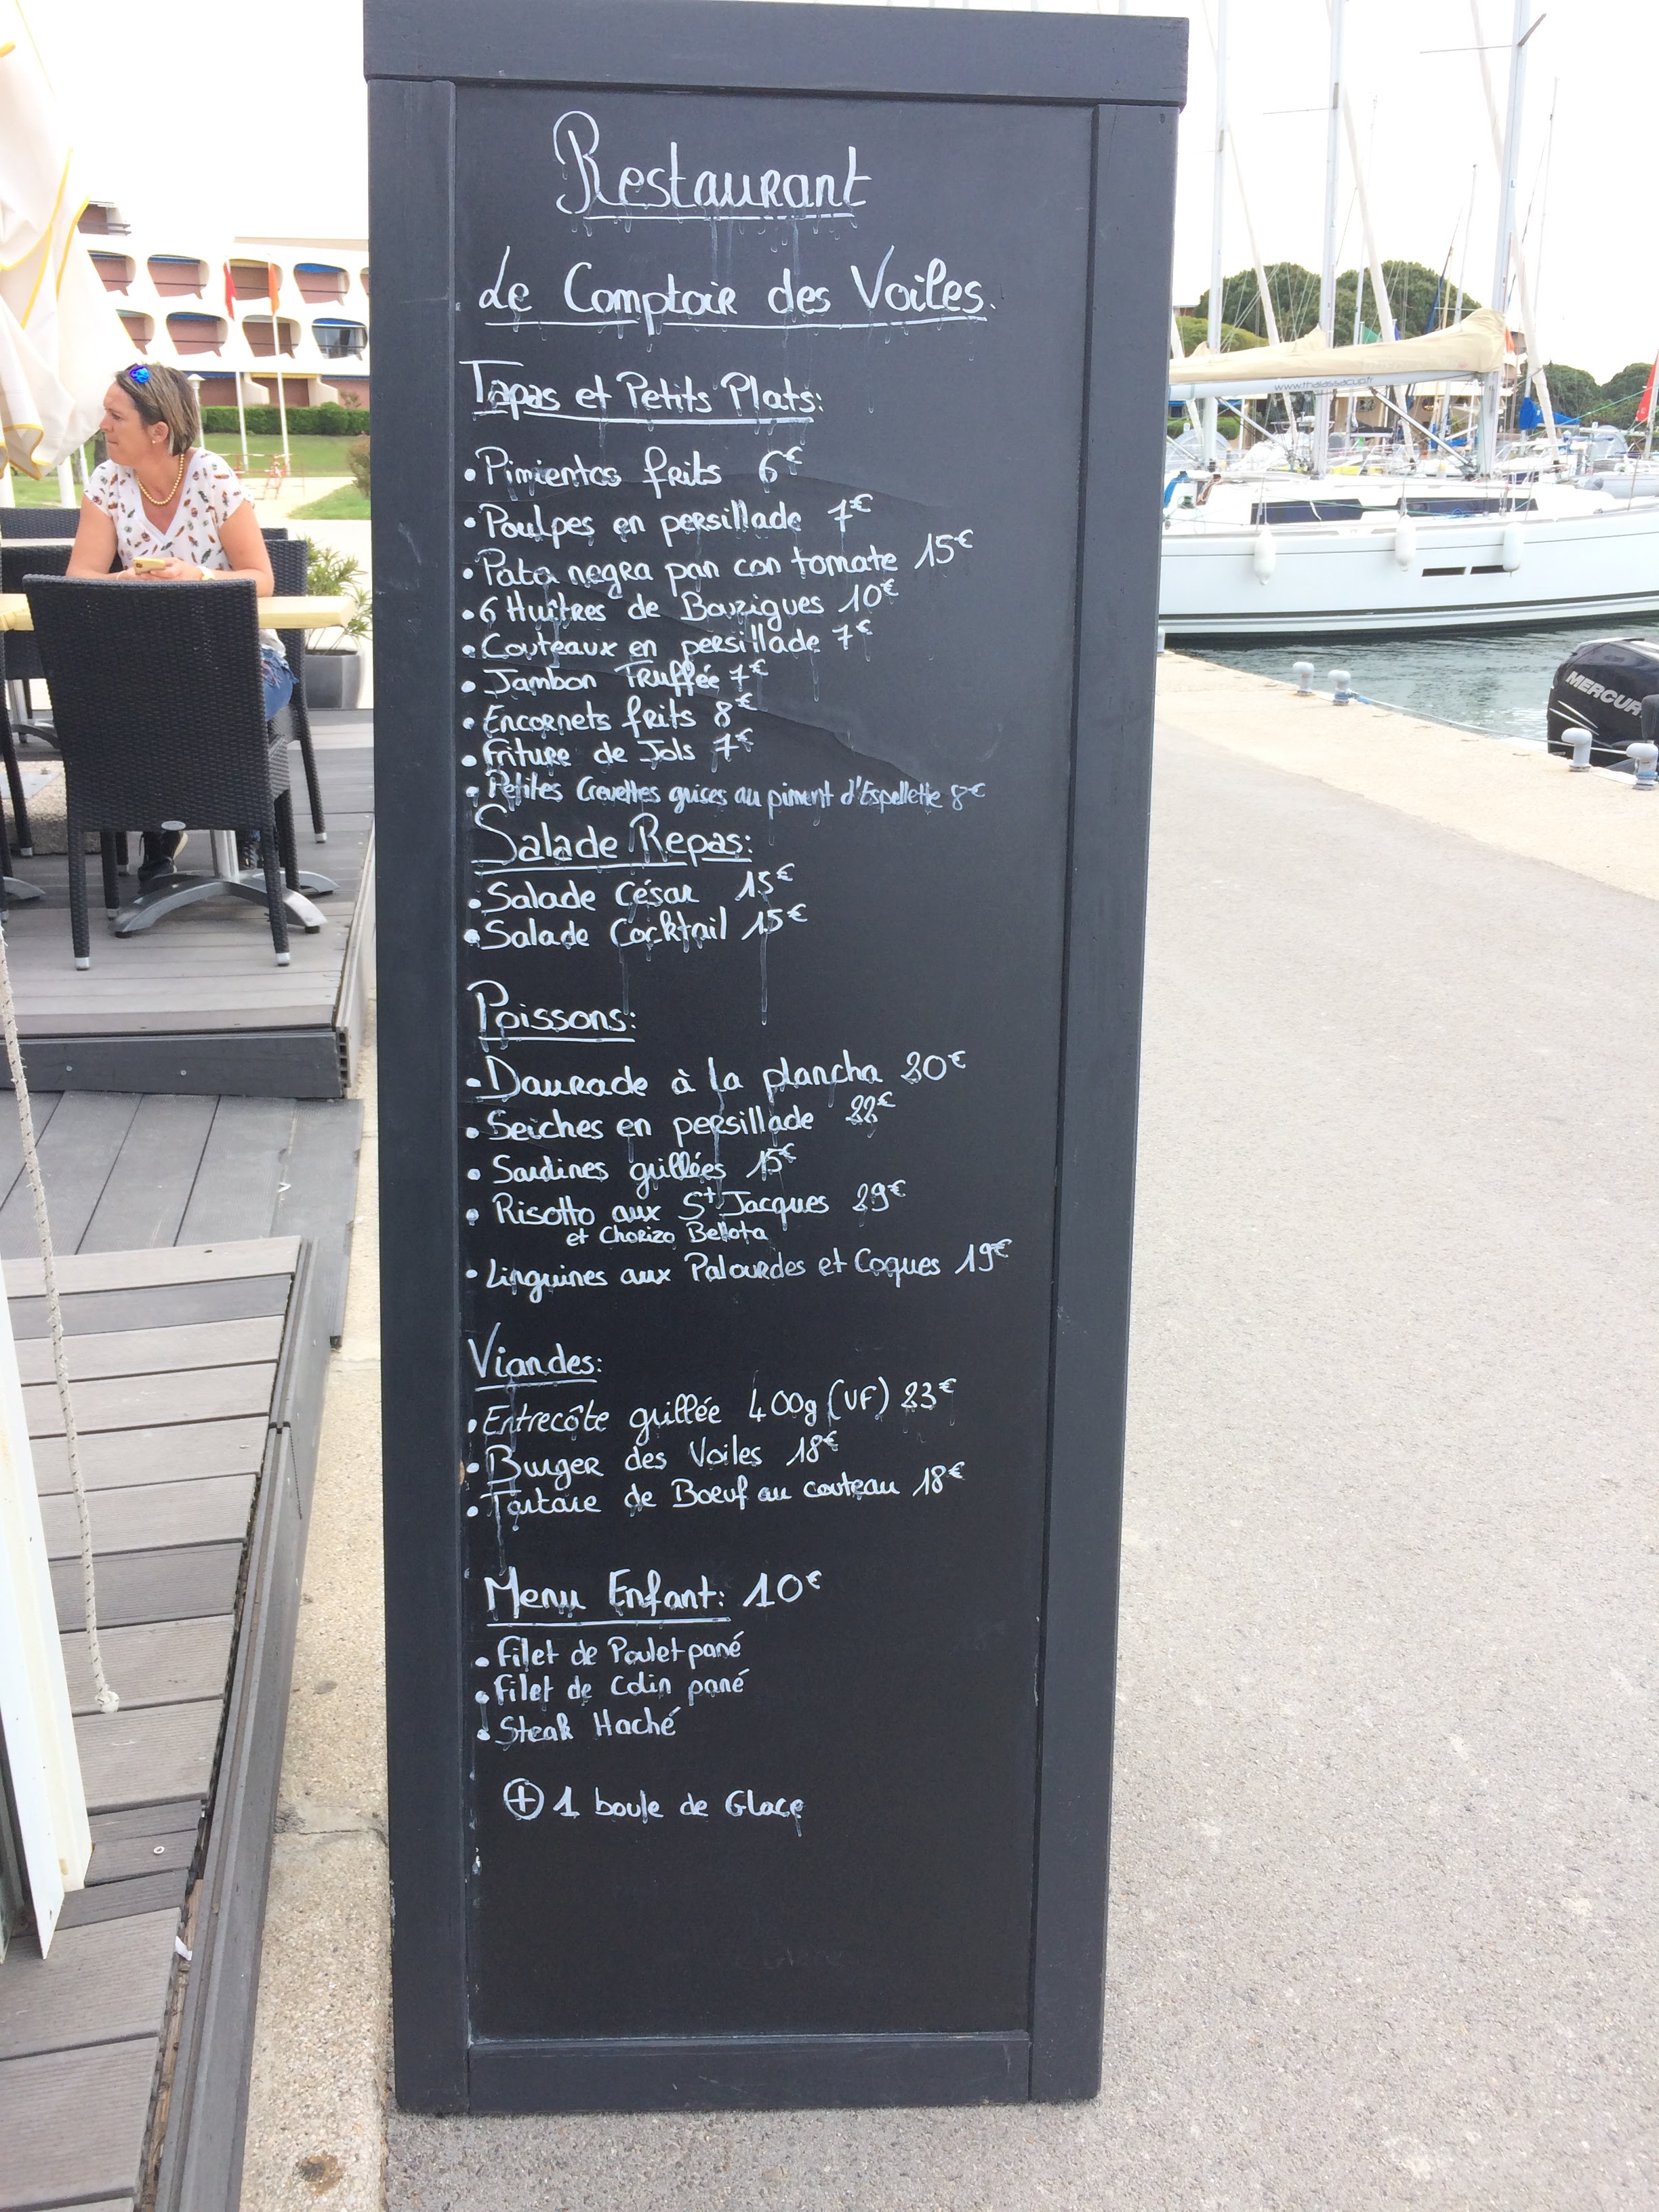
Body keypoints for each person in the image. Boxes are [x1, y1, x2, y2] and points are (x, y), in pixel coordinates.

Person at [67, 362, 295, 881]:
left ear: (158, 431)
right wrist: (123, 580)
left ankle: (242, 821)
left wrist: (198, 576)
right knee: (134, 701)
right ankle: (162, 826)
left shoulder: (210, 475)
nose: (103, 425)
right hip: (152, 659)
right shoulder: (108, 482)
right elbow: (80, 576)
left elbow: (262, 579)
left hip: (245, 657)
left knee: (207, 700)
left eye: (115, 416)